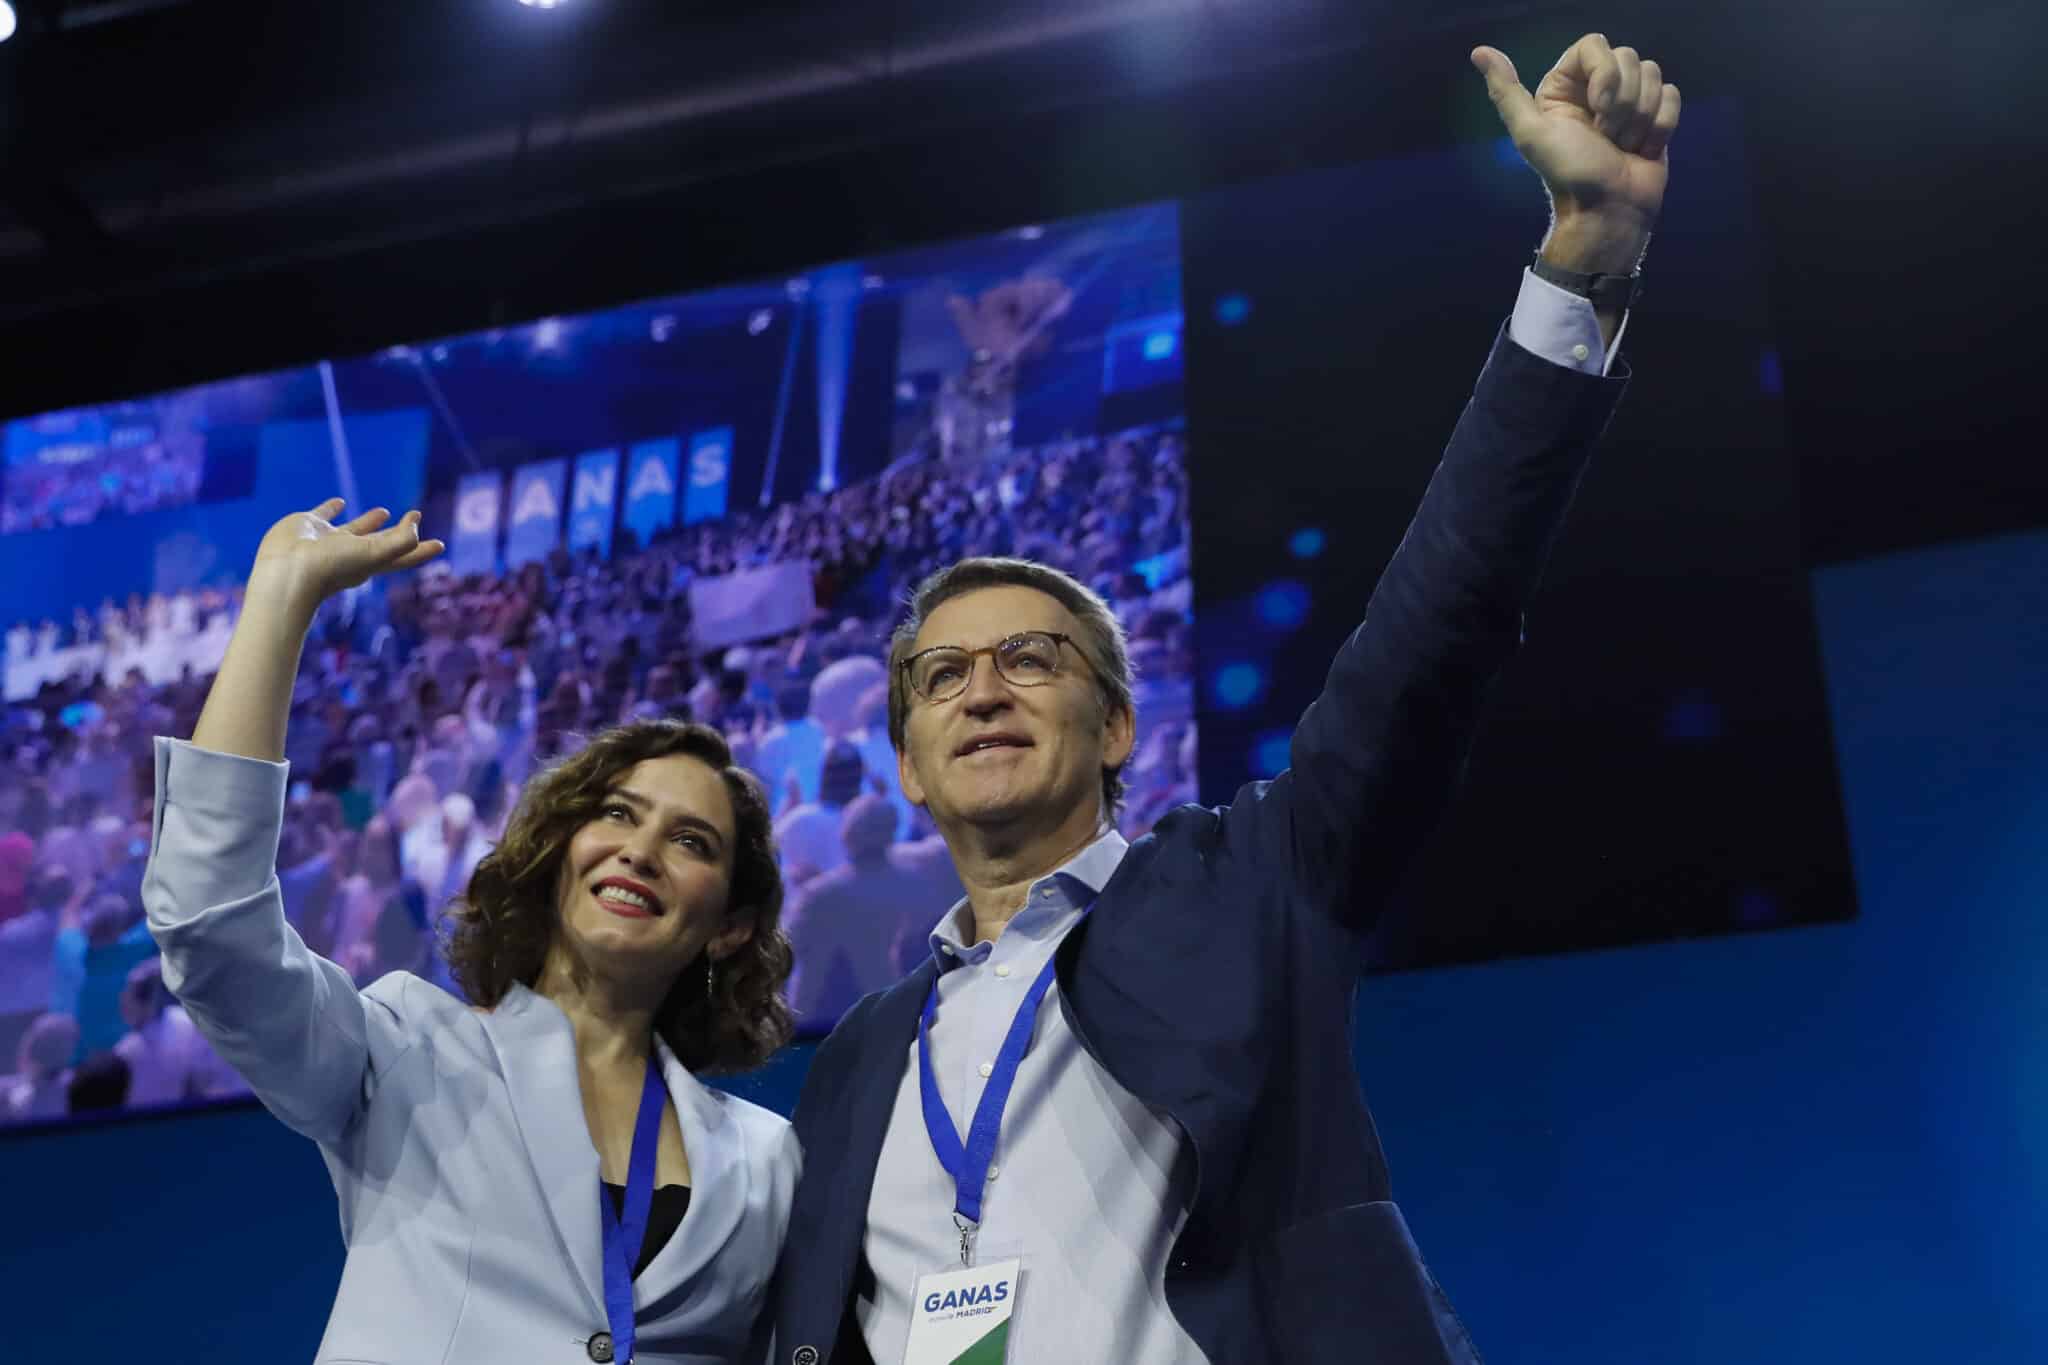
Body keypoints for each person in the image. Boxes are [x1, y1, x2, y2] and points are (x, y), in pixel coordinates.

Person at [761, 34, 1679, 1364]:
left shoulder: (1252, 886)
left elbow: (1439, 622)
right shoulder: (855, 1062)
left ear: (1118, 725)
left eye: (1033, 658)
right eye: (943, 677)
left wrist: (1584, 260)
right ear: (906, 760)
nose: (984, 691)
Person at [143, 501, 801, 1363]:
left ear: (729, 927)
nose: (641, 850)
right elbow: (211, 919)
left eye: (690, 840)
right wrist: (279, 600)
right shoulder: (405, 1050)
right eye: (616, 814)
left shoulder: (766, 1160)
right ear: (558, 854)